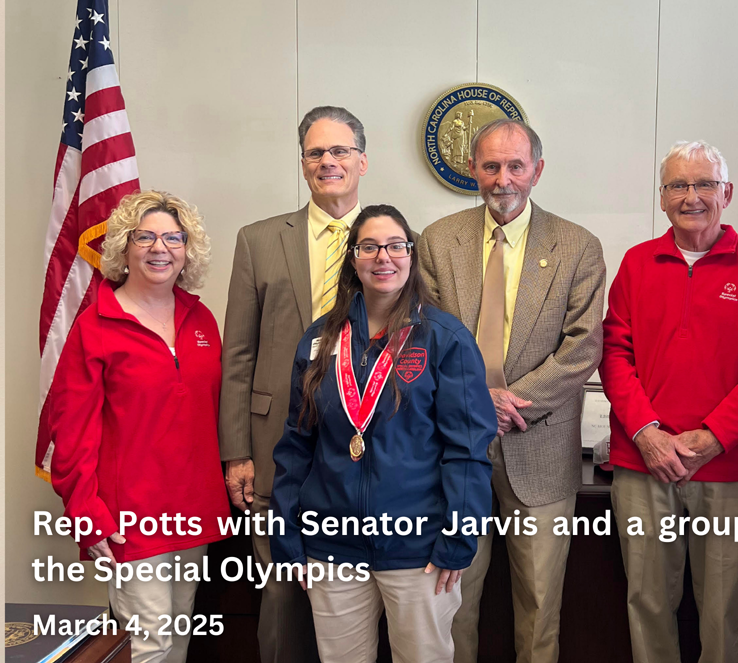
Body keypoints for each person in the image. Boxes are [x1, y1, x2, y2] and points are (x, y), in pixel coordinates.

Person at [270, 204, 494, 663]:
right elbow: (296, 444)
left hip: (419, 548)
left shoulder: (444, 337)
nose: (382, 257)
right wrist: (286, 533)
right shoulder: (319, 340)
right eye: (368, 246)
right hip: (331, 544)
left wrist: (459, 538)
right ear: (353, 258)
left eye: (395, 246)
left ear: (412, 255)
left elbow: (468, 450)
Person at [418, 118, 606, 663]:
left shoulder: (578, 246)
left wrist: (506, 403)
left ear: (537, 171)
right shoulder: (437, 241)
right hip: (454, 451)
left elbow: (581, 349)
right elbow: (423, 343)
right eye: (492, 166)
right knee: (452, 603)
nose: (503, 179)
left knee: (540, 608)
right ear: (473, 170)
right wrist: (478, 403)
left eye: (516, 166)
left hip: (541, 448)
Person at [601, 141, 738, 663]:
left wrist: (713, 437)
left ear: (726, 192)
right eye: (678, 185)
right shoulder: (637, 263)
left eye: (704, 184)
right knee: (648, 603)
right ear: (662, 198)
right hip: (644, 467)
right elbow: (614, 354)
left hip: (731, 469)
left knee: (725, 613)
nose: (692, 197)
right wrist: (647, 433)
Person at [48, 190, 231, 662]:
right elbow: (70, 432)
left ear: (187, 250)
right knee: (148, 647)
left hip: (193, 512)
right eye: (145, 236)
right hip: (130, 518)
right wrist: (88, 516)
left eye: (173, 238)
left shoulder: (202, 319)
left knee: (177, 642)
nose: (159, 248)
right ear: (124, 247)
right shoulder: (95, 326)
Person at [219, 106, 367, 663]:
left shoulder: (396, 242)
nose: (328, 162)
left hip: (365, 454)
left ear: (362, 160)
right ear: (303, 163)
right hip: (273, 449)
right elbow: (238, 354)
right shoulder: (258, 240)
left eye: (340, 151)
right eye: (316, 152)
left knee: (356, 603)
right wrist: (236, 452)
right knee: (281, 601)